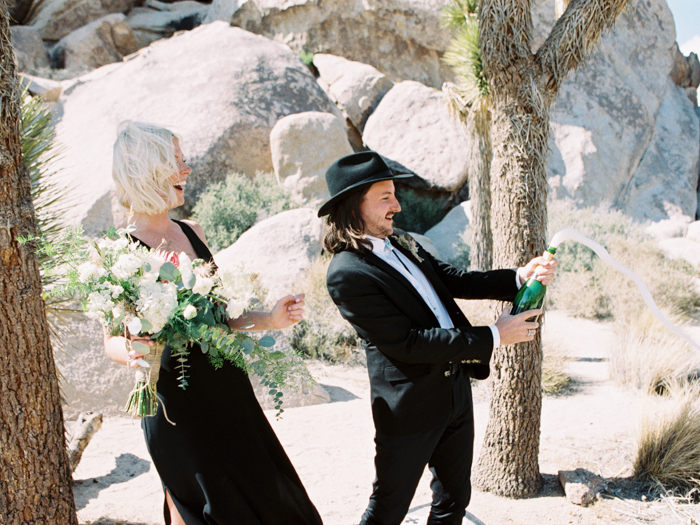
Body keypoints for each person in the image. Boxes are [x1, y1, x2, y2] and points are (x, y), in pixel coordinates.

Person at [103, 121, 324, 525]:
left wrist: (269, 319)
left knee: (282, 507)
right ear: (147, 168)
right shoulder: (117, 253)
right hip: (176, 409)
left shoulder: (193, 232)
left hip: (231, 396)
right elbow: (110, 342)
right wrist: (133, 354)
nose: (186, 171)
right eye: (177, 162)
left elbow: (221, 318)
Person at [320, 151, 558, 525]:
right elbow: (409, 343)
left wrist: (518, 277)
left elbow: (453, 280)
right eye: (385, 197)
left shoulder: (400, 241)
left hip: (455, 391)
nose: (397, 205)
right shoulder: (347, 273)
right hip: (410, 406)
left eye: (395, 194)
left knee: (454, 498)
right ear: (353, 205)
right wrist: (494, 335)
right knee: (389, 507)